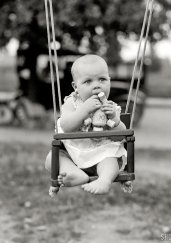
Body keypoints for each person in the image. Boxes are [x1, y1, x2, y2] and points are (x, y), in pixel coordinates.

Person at [45, 54, 127, 195]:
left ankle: (104, 180)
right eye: (88, 81)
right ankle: (74, 173)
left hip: (101, 155)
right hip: (73, 154)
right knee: (52, 158)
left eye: (102, 79)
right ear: (75, 87)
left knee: (111, 161)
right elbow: (67, 127)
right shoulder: (71, 103)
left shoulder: (111, 107)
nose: (96, 85)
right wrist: (84, 110)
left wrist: (114, 118)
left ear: (109, 81)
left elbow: (121, 135)